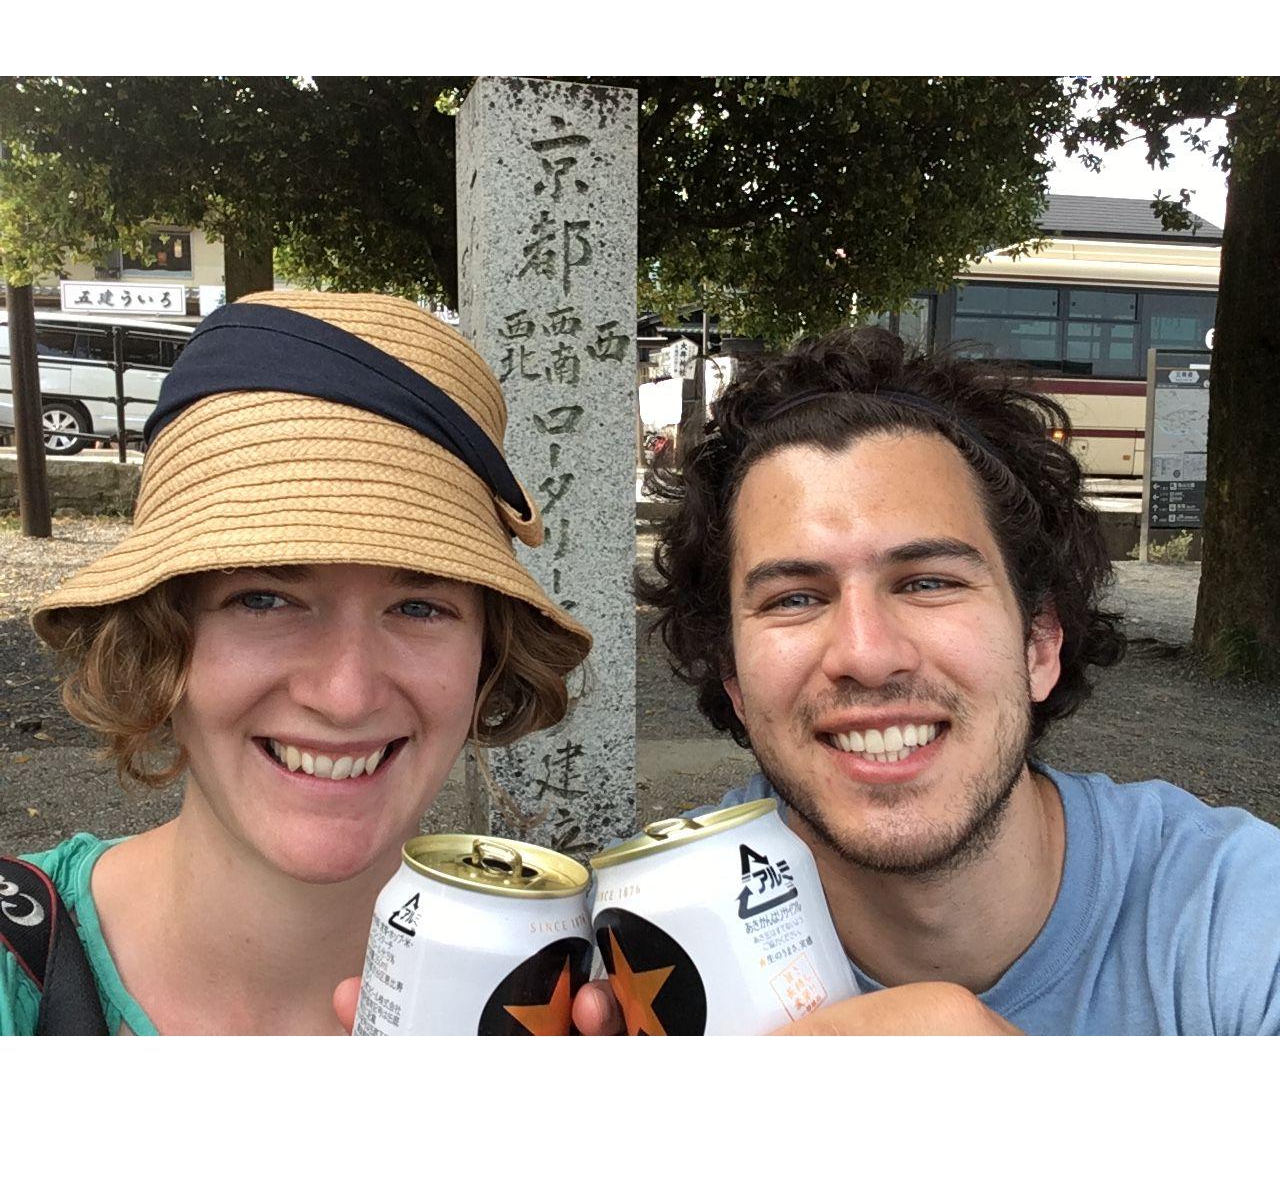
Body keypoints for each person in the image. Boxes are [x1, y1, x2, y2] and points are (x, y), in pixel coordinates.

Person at [575, 326, 1280, 1036]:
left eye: (928, 582)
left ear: (1040, 642)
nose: (867, 653)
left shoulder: (1239, 912)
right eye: (795, 597)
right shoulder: (635, 957)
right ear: (731, 676)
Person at [1, 291, 590, 1035]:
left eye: (418, 608)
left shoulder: (578, 998)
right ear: (159, 637)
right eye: (264, 600)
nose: (344, 696)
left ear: (487, 658)